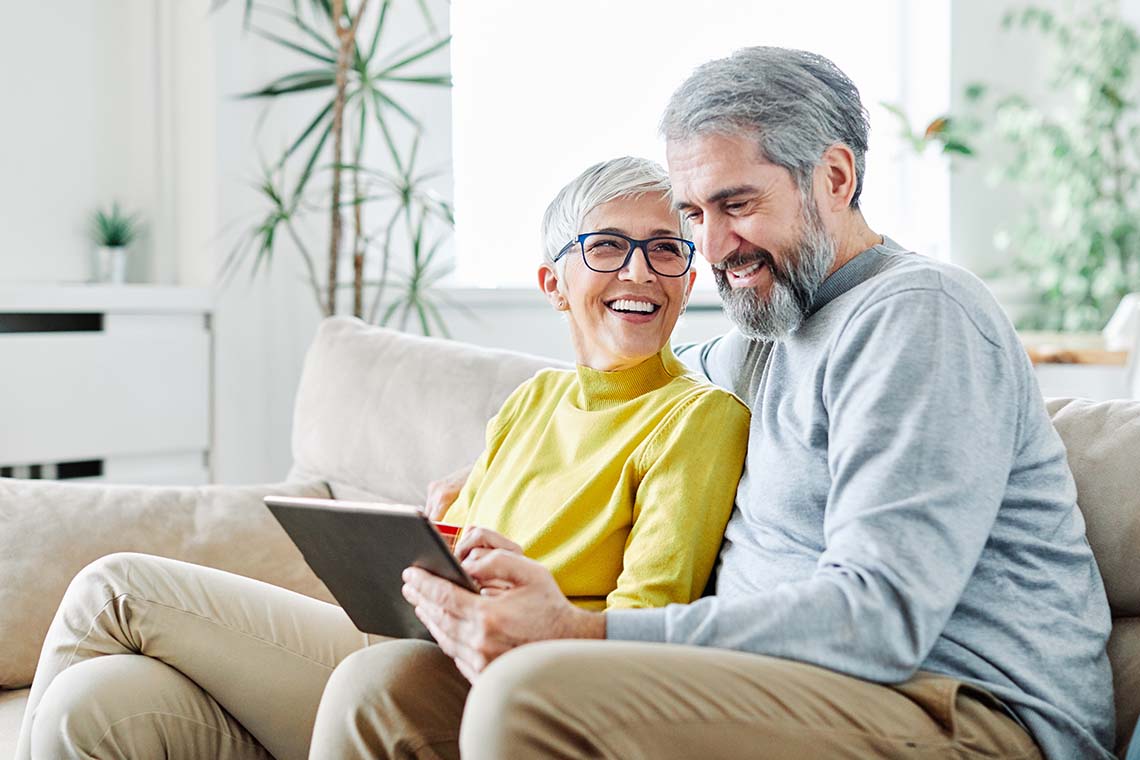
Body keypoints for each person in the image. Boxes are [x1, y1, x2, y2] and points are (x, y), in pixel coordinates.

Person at [398, 47, 1116, 759]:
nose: (713, 245)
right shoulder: (769, 327)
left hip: (959, 709)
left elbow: (879, 620)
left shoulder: (918, 315)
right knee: (389, 689)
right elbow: (623, 386)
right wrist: (491, 468)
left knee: (529, 691)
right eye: (694, 213)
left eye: (737, 205)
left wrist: (580, 634)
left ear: (835, 177)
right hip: (785, 690)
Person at [15, 157, 750, 760]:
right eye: (606, 246)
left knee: (115, 586)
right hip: (399, 637)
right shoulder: (535, 400)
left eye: (665, 248)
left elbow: (647, 625)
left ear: (689, 277)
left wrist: (532, 603)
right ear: (553, 283)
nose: (640, 271)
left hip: (490, 678)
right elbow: (460, 550)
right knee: (97, 704)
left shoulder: (699, 417)